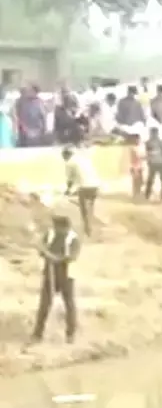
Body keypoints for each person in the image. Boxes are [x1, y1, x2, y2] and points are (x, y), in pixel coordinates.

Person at [31, 212, 80, 344]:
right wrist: (44, 252)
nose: (56, 229)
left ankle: (70, 334)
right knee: (44, 305)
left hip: (66, 275)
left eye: (59, 226)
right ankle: (37, 334)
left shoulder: (73, 238)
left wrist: (55, 258)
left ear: (65, 227)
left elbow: (72, 256)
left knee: (69, 305)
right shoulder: (50, 234)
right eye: (55, 225)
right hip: (49, 273)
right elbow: (41, 246)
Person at [62, 146, 100, 236]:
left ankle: (87, 229)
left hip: (84, 186)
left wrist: (68, 190)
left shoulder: (69, 162)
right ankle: (90, 225)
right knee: (90, 206)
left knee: (84, 210)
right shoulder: (83, 159)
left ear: (66, 155)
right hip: (95, 185)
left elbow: (70, 179)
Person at [143, 125, 162, 201]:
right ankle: (148, 195)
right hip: (155, 164)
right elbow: (148, 153)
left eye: (154, 133)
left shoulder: (157, 142)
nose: (153, 134)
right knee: (152, 180)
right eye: (152, 133)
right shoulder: (149, 142)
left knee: (161, 181)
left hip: (159, 164)